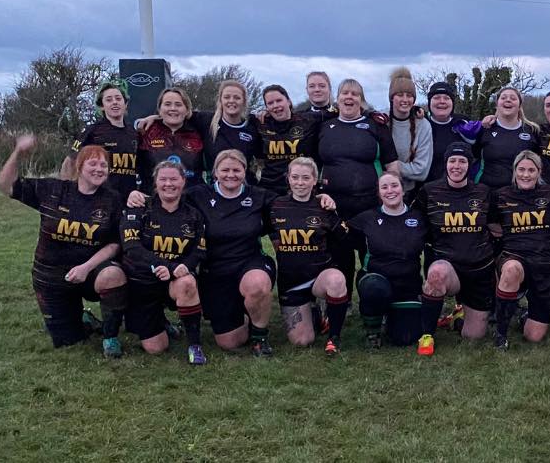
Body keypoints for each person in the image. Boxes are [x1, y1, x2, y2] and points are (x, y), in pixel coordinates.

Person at [0, 134, 128, 357]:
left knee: (114, 275)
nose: (99, 169)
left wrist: (86, 267)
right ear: (79, 166)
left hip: (89, 272)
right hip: (50, 276)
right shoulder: (53, 190)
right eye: (93, 163)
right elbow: (6, 186)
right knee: (69, 341)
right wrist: (18, 153)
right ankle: (83, 319)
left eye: (104, 165)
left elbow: (115, 244)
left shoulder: (112, 199)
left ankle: (110, 335)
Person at [183, 149, 277, 356]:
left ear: (245, 171)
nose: (231, 174)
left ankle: (260, 337)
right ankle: (245, 313)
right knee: (230, 342)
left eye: (237, 169)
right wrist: (138, 197)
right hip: (215, 270)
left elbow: (292, 205)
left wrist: (322, 198)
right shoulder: (198, 195)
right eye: (225, 170)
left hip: (250, 262)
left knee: (257, 285)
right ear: (215, 172)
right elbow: (166, 197)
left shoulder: (259, 196)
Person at [120, 160, 208, 364]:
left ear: (183, 181)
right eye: (163, 179)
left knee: (188, 282)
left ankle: (194, 345)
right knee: (156, 348)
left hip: (174, 279)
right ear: (155, 182)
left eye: (174, 179)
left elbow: (200, 249)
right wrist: (167, 266)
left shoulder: (193, 214)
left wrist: (185, 266)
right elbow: (132, 247)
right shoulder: (140, 208)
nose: (169, 184)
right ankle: (160, 322)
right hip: (143, 281)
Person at [415, 142, 498, 355]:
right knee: (436, 273)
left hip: (479, 270)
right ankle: (427, 335)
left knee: (474, 336)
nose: (457, 166)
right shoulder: (430, 191)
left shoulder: (483, 192)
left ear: (469, 165)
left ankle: (458, 318)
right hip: (448, 267)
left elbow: (497, 228)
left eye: (462, 161)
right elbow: (416, 224)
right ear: (446, 164)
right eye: (452, 161)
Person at [317, 78, 399, 287]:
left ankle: (371, 301)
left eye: (355, 94)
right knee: (339, 256)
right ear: (337, 99)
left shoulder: (375, 126)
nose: (349, 97)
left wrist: (392, 199)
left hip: (369, 205)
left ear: (362, 100)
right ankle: (340, 301)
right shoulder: (325, 126)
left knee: (371, 257)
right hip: (334, 206)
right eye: (345, 93)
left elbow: (392, 165)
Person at [268, 157, 352, 355]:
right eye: (295, 177)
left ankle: (334, 337)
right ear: (288, 178)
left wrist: (333, 207)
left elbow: (344, 237)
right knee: (302, 341)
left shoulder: (323, 206)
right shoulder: (275, 206)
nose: (300, 182)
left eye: (305, 178)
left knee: (337, 280)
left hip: (319, 276)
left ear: (315, 180)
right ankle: (315, 314)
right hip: (291, 282)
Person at [349, 172, 429, 348]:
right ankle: (373, 331)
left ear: (403, 189)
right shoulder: (366, 218)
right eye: (384, 187)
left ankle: (391, 315)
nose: (390, 191)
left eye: (394, 185)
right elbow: (339, 235)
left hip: (408, 285)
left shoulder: (419, 218)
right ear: (378, 193)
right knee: (374, 288)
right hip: (376, 280)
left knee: (405, 338)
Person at [492, 151, 550, 350]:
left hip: (545, 265)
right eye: (521, 169)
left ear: (539, 172)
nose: (526, 174)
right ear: (514, 171)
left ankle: (523, 315)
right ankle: (501, 334)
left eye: (531, 170)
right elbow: (490, 224)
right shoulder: (501, 196)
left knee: (534, 337)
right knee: (511, 269)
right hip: (515, 257)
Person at [135, 79, 263, 183]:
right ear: (220, 100)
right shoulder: (206, 121)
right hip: (215, 191)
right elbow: (176, 115)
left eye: (237, 97)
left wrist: (265, 112)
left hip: (244, 187)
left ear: (244, 101)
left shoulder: (253, 125)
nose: (231, 101)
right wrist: (152, 118)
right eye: (227, 97)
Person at [62, 79, 140, 202]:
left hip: (128, 202)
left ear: (126, 104)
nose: (114, 102)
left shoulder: (134, 133)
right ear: (102, 106)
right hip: (99, 200)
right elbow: (70, 161)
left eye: (118, 99)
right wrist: (65, 194)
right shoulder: (92, 131)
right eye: (109, 100)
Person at [256, 84, 322, 197]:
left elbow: (336, 111)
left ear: (289, 101)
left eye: (279, 100)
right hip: (269, 189)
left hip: (300, 188)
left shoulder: (308, 120)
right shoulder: (260, 122)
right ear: (266, 107)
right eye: (270, 103)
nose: (275, 105)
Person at [473, 86, 541, 189]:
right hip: (487, 191)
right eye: (503, 98)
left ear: (519, 105)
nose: (508, 100)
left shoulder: (532, 131)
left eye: (513, 98)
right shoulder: (484, 128)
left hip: (519, 194)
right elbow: (474, 155)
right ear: (497, 104)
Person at [137, 87, 206, 188]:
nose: (173, 108)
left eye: (178, 104)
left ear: (187, 110)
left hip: (192, 200)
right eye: (167, 104)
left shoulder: (200, 131)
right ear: (159, 109)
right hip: (153, 199)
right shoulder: (146, 131)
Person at [387, 67, 433, 200]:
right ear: (391, 97)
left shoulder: (423, 125)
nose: (405, 100)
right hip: (380, 190)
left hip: (409, 194)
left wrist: (394, 167)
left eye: (409, 95)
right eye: (400, 95)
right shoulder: (381, 122)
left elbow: (421, 171)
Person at [423, 81, 482, 183]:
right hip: (427, 188)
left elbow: (479, 153)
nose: (442, 101)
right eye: (436, 98)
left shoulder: (463, 124)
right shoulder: (421, 124)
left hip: (461, 188)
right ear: (429, 102)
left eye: (446, 98)